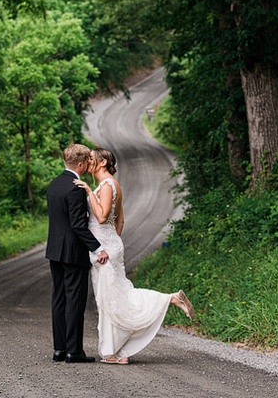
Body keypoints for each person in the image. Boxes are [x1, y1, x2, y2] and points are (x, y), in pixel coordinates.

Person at [73, 147, 195, 365]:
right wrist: (112, 241)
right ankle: (119, 352)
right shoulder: (106, 185)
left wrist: (88, 193)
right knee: (112, 299)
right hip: (108, 248)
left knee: (116, 300)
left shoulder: (108, 185)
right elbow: (119, 221)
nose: (88, 162)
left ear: (102, 163)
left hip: (106, 252)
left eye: (91, 159)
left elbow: (101, 218)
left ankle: (170, 299)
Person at [46, 144, 109, 364]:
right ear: (80, 164)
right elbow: (78, 225)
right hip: (73, 252)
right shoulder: (75, 188)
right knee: (75, 301)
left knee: (59, 299)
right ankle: (74, 351)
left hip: (54, 251)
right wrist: (98, 247)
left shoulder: (54, 185)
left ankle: (59, 349)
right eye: (87, 162)